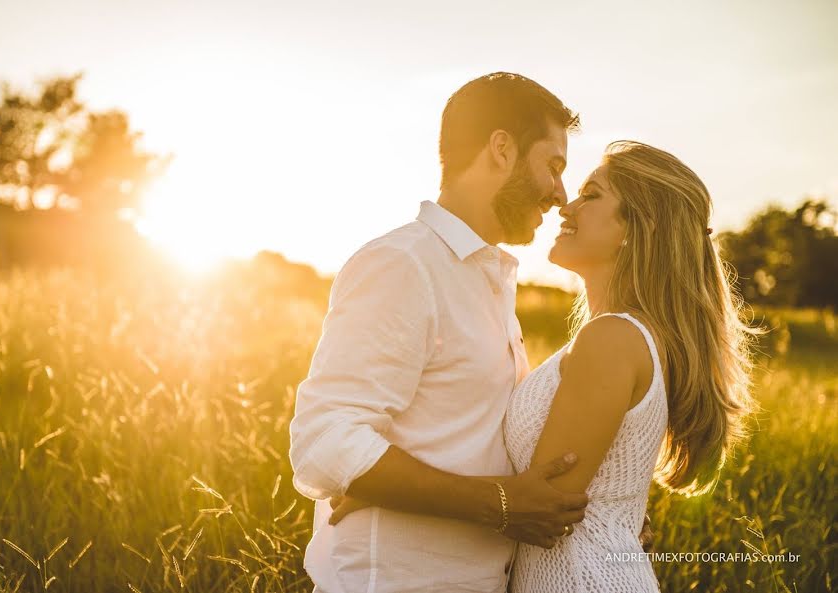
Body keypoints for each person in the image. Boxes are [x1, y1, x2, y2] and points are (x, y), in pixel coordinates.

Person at [331, 141, 758, 592]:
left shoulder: (612, 339)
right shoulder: (617, 335)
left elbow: (540, 509)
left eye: (592, 196)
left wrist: (386, 490)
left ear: (636, 228)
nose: (566, 206)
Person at [289, 72, 586, 593]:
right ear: (502, 148)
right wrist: (498, 504)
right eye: (553, 165)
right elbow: (326, 438)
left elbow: (461, 441)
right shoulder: (404, 264)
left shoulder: (489, 279)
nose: (561, 194)